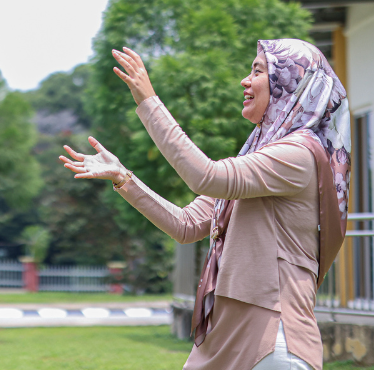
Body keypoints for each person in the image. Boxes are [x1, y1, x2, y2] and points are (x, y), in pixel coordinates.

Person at [61, 39, 348, 370]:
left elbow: (205, 176)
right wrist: (124, 178)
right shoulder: (259, 156)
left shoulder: (298, 155)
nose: (245, 79)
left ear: (291, 83)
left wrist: (149, 102)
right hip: (226, 334)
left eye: (258, 70)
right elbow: (185, 225)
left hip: (273, 340)